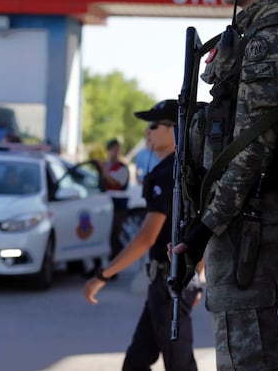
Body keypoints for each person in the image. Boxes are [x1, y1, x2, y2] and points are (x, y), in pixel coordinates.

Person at [170, 0, 278, 370]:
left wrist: (204, 225)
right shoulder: (249, 33)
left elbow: (254, 146)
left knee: (244, 356)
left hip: (246, 218)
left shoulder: (269, 38)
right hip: (238, 216)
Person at [84, 100, 199, 371]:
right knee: (136, 362)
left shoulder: (171, 172)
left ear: (177, 130)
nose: (147, 131)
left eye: (154, 125)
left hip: (169, 283)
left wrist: (103, 275)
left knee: (179, 365)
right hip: (164, 282)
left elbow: (146, 237)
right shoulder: (174, 169)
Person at [102, 138, 131, 258]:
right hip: (103, 204)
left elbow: (114, 182)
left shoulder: (121, 167)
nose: (116, 153)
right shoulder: (105, 166)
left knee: (114, 235)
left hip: (118, 205)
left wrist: (102, 170)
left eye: (117, 150)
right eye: (114, 150)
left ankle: (114, 264)